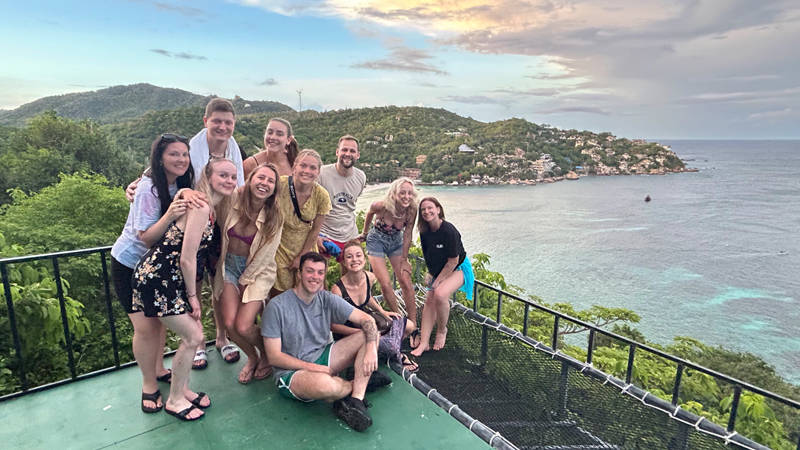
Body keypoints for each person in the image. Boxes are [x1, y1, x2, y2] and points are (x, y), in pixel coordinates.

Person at [126, 98, 245, 369]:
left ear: (234, 125)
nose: (223, 127)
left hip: (219, 222)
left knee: (218, 279)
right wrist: (138, 183)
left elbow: (240, 181)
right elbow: (167, 166)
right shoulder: (192, 147)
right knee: (194, 279)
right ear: (206, 121)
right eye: (217, 121)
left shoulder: (234, 147)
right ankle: (198, 342)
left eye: (228, 122)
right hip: (194, 221)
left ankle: (222, 338)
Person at [131, 158, 237, 421]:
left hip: (166, 279)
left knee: (191, 335)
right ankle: (175, 400)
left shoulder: (206, 205)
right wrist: (193, 297)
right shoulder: (201, 206)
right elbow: (187, 259)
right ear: (209, 176)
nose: (229, 181)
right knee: (193, 336)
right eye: (223, 175)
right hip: (159, 279)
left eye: (234, 177)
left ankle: (182, 389)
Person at [110, 133, 197, 414]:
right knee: (146, 328)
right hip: (129, 264)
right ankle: (149, 384)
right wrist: (171, 214)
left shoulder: (179, 184)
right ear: (160, 158)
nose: (181, 159)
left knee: (158, 324)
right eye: (174, 154)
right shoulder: (149, 188)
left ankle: (159, 369)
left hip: (155, 269)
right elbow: (146, 237)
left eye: (184, 154)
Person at [262, 252, 382, 432]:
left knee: (370, 334)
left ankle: (356, 400)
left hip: (324, 355)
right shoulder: (277, 306)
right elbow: (274, 357)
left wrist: (372, 348)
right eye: (310, 271)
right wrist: (315, 368)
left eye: (320, 273)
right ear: (299, 273)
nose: (315, 277)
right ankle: (356, 383)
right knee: (327, 386)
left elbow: (368, 320)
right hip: (292, 373)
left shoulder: (326, 298)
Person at [214, 163, 283, 384]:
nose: (264, 183)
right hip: (228, 267)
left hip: (258, 271)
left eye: (270, 181)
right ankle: (252, 357)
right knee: (230, 324)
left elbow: (266, 255)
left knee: (244, 325)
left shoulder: (275, 216)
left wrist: (246, 279)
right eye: (260, 178)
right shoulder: (232, 200)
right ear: (251, 179)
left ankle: (267, 353)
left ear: (274, 189)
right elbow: (208, 190)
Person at [331, 241, 418, 372]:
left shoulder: (369, 277)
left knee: (409, 325)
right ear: (344, 262)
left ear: (364, 259)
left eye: (358, 255)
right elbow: (333, 326)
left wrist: (382, 311)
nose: (355, 260)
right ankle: (394, 353)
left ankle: (383, 350)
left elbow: (367, 296)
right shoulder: (337, 290)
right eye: (349, 257)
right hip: (351, 331)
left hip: (367, 322)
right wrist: (359, 333)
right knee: (387, 345)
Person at [410, 197, 475, 358]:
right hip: (440, 269)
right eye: (423, 209)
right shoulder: (425, 233)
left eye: (430, 208)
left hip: (459, 268)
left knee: (439, 294)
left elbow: (453, 261)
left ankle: (441, 330)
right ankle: (424, 342)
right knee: (429, 299)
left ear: (438, 209)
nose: (427, 211)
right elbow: (429, 256)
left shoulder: (448, 230)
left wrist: (437, 281)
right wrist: (431, 273)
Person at [360, 177, 418, 329]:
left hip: (396, 242)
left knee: (405, 280)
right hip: (376, 240)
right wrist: (365, 233)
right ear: (394, 194)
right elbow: (369, 213)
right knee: (385, 284)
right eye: (402, 193)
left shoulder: (412, 209)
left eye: (410, 193)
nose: (406, 197)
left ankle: (413, 324)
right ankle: (398, 321)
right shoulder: (381, 206)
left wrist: (404, 259)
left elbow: (408, 234)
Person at [272, 149, 331, 295]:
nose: (307, 171)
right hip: (280, 247)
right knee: (280, 294)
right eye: (303, 166)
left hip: (306, 246)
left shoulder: (321, 195)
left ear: (318, 172)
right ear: (294, 167)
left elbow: (315, 230)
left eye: (312, 168)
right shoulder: (280, 185)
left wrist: (301, 257)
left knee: (311, 292)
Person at [317, 135, 366, 260]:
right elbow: (311, 206)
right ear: (337, 152)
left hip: (350, 235)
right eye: (344, 150)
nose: (348, 154)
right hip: (324, 233)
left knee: (353, 274)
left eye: (352, 151)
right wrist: (315, 235)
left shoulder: (361, 177)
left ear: (358, 155)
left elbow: (350, 205)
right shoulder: (322, 174)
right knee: (317, 273)